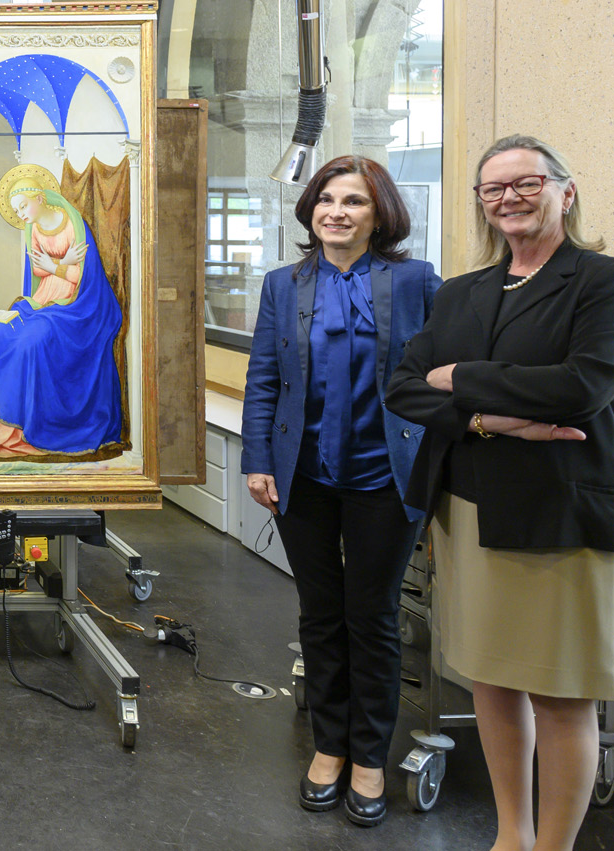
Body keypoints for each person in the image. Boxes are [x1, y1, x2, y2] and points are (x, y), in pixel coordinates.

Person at [385, 135, 613, 851]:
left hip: (556, 512)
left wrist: (461, 377)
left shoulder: (598, 281)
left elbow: (582, 389)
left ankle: (554, 845)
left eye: (526, 182)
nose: (508, 197)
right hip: (468, 511)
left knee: (560, 690)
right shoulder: (463, 291)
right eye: (493, 188)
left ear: (564, 193)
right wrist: (490, 416)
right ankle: (509, 836)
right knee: (489, 679)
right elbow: (401, 387)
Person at [241, 155, 441, 827]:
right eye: (326, 199)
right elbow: (264, 377)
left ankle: (369, 757)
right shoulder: (284, 284)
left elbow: (441, 374)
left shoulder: (415, 281)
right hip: (304, 474)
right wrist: (258, 458)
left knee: (374, 617)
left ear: (378, 213)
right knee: (320, 614)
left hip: (386, 476)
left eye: (353, 200)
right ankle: (327, 746)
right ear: (310, 210)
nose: (336, 211)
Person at [0, 176, 123, 460]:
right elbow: (37, 271)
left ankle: (24, 421)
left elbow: (85, 277)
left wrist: (56, 266)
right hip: (43, 299)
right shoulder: (33, 228)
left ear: (40, 198)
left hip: (76, 305)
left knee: (31, 340)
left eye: (23, 207)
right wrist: (59, 264)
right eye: (16, 211)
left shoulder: (73, 223)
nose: (21, 215)